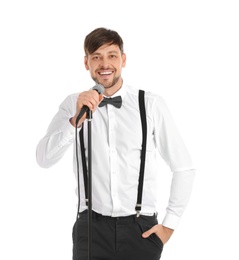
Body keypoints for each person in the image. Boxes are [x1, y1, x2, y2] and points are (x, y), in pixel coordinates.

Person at [36, 27, 195, 260]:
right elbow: (43, 159)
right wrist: (74, 121)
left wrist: (169, 225)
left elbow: (184, 167)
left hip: (141, 231)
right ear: (86, 63)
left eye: (111, 55)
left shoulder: (150, 104)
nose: (104, 64)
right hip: (90, 229)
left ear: (123, 59)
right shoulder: (72, 103)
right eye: (96, 57)